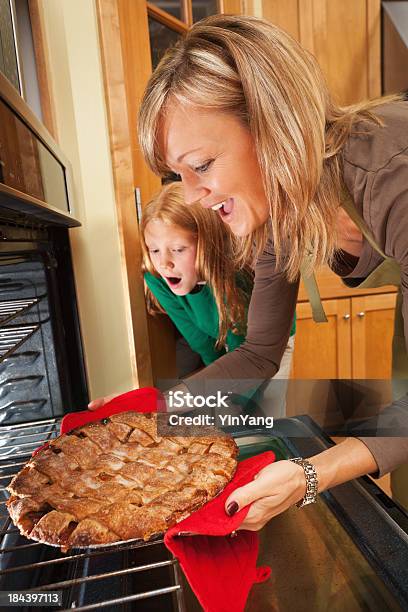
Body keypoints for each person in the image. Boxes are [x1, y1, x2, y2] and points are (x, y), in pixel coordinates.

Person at [94, 15, 408, 525]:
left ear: (272, 127)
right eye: (179, 175)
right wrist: (155, 408)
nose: (193, 194)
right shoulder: (280, 210)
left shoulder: (393, 175)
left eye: (201, 164)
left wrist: (310, 474)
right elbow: (259, 353)